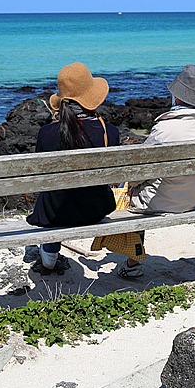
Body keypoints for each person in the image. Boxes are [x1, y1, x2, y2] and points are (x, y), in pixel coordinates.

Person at [115, 64, 195, 279]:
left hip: (159, 202)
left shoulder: (165, 129)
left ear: (178, 97)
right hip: (192, 198)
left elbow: (139, 174)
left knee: (126, 189)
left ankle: (132, 263)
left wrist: (126, 184)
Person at [26, 62, 120, 274]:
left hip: (54, 214)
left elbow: (40, 175)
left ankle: (49, 256)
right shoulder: (110, 132)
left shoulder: (46, 134)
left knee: (54, 194)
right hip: (95, 210)